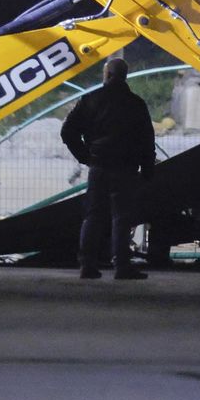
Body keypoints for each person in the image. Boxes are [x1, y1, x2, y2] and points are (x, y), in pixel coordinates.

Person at [62, 57, 156, 280]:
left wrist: (85, 156)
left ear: (107, 75)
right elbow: (146, 139)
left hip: (99, 165)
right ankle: (122, 266)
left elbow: (68, 131)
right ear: (124, 76)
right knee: (121, 217)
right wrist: (148, 168)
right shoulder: (136, 103)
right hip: (125, 168)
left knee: (93, 216)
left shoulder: (90, 100)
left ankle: (87, 265)